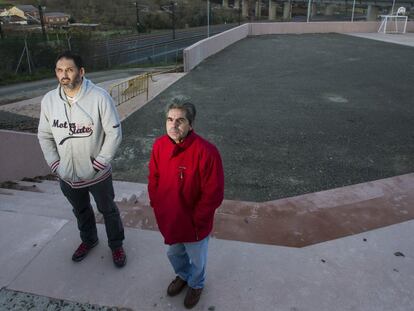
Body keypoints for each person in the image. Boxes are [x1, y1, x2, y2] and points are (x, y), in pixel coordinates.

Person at [37, 51, 126, 268]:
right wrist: (55, 164)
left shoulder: (99, 97)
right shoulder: (49, 100)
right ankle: (89, 240)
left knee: (108, 211)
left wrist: (100, 162)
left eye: (69, 69)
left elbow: (114, 133)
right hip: (67, 176)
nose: (64, 75)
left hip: (97, 174)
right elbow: (44, 135)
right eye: (59, 70)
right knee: (81, 211)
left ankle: (116, 246)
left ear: (81, 72)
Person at [148, 101, 224, 309]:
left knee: (197, 259)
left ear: (190, 124)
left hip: (194, 224)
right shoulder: (159, 145)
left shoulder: (206, 151)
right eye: (170, 120)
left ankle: (196, 284)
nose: (173, 125)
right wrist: (157, 204)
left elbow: (214, 193)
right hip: (171, 218)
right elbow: (153, 177)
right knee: (174, 253)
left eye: (180, 120)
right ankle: (182, 275)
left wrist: (197, 220)